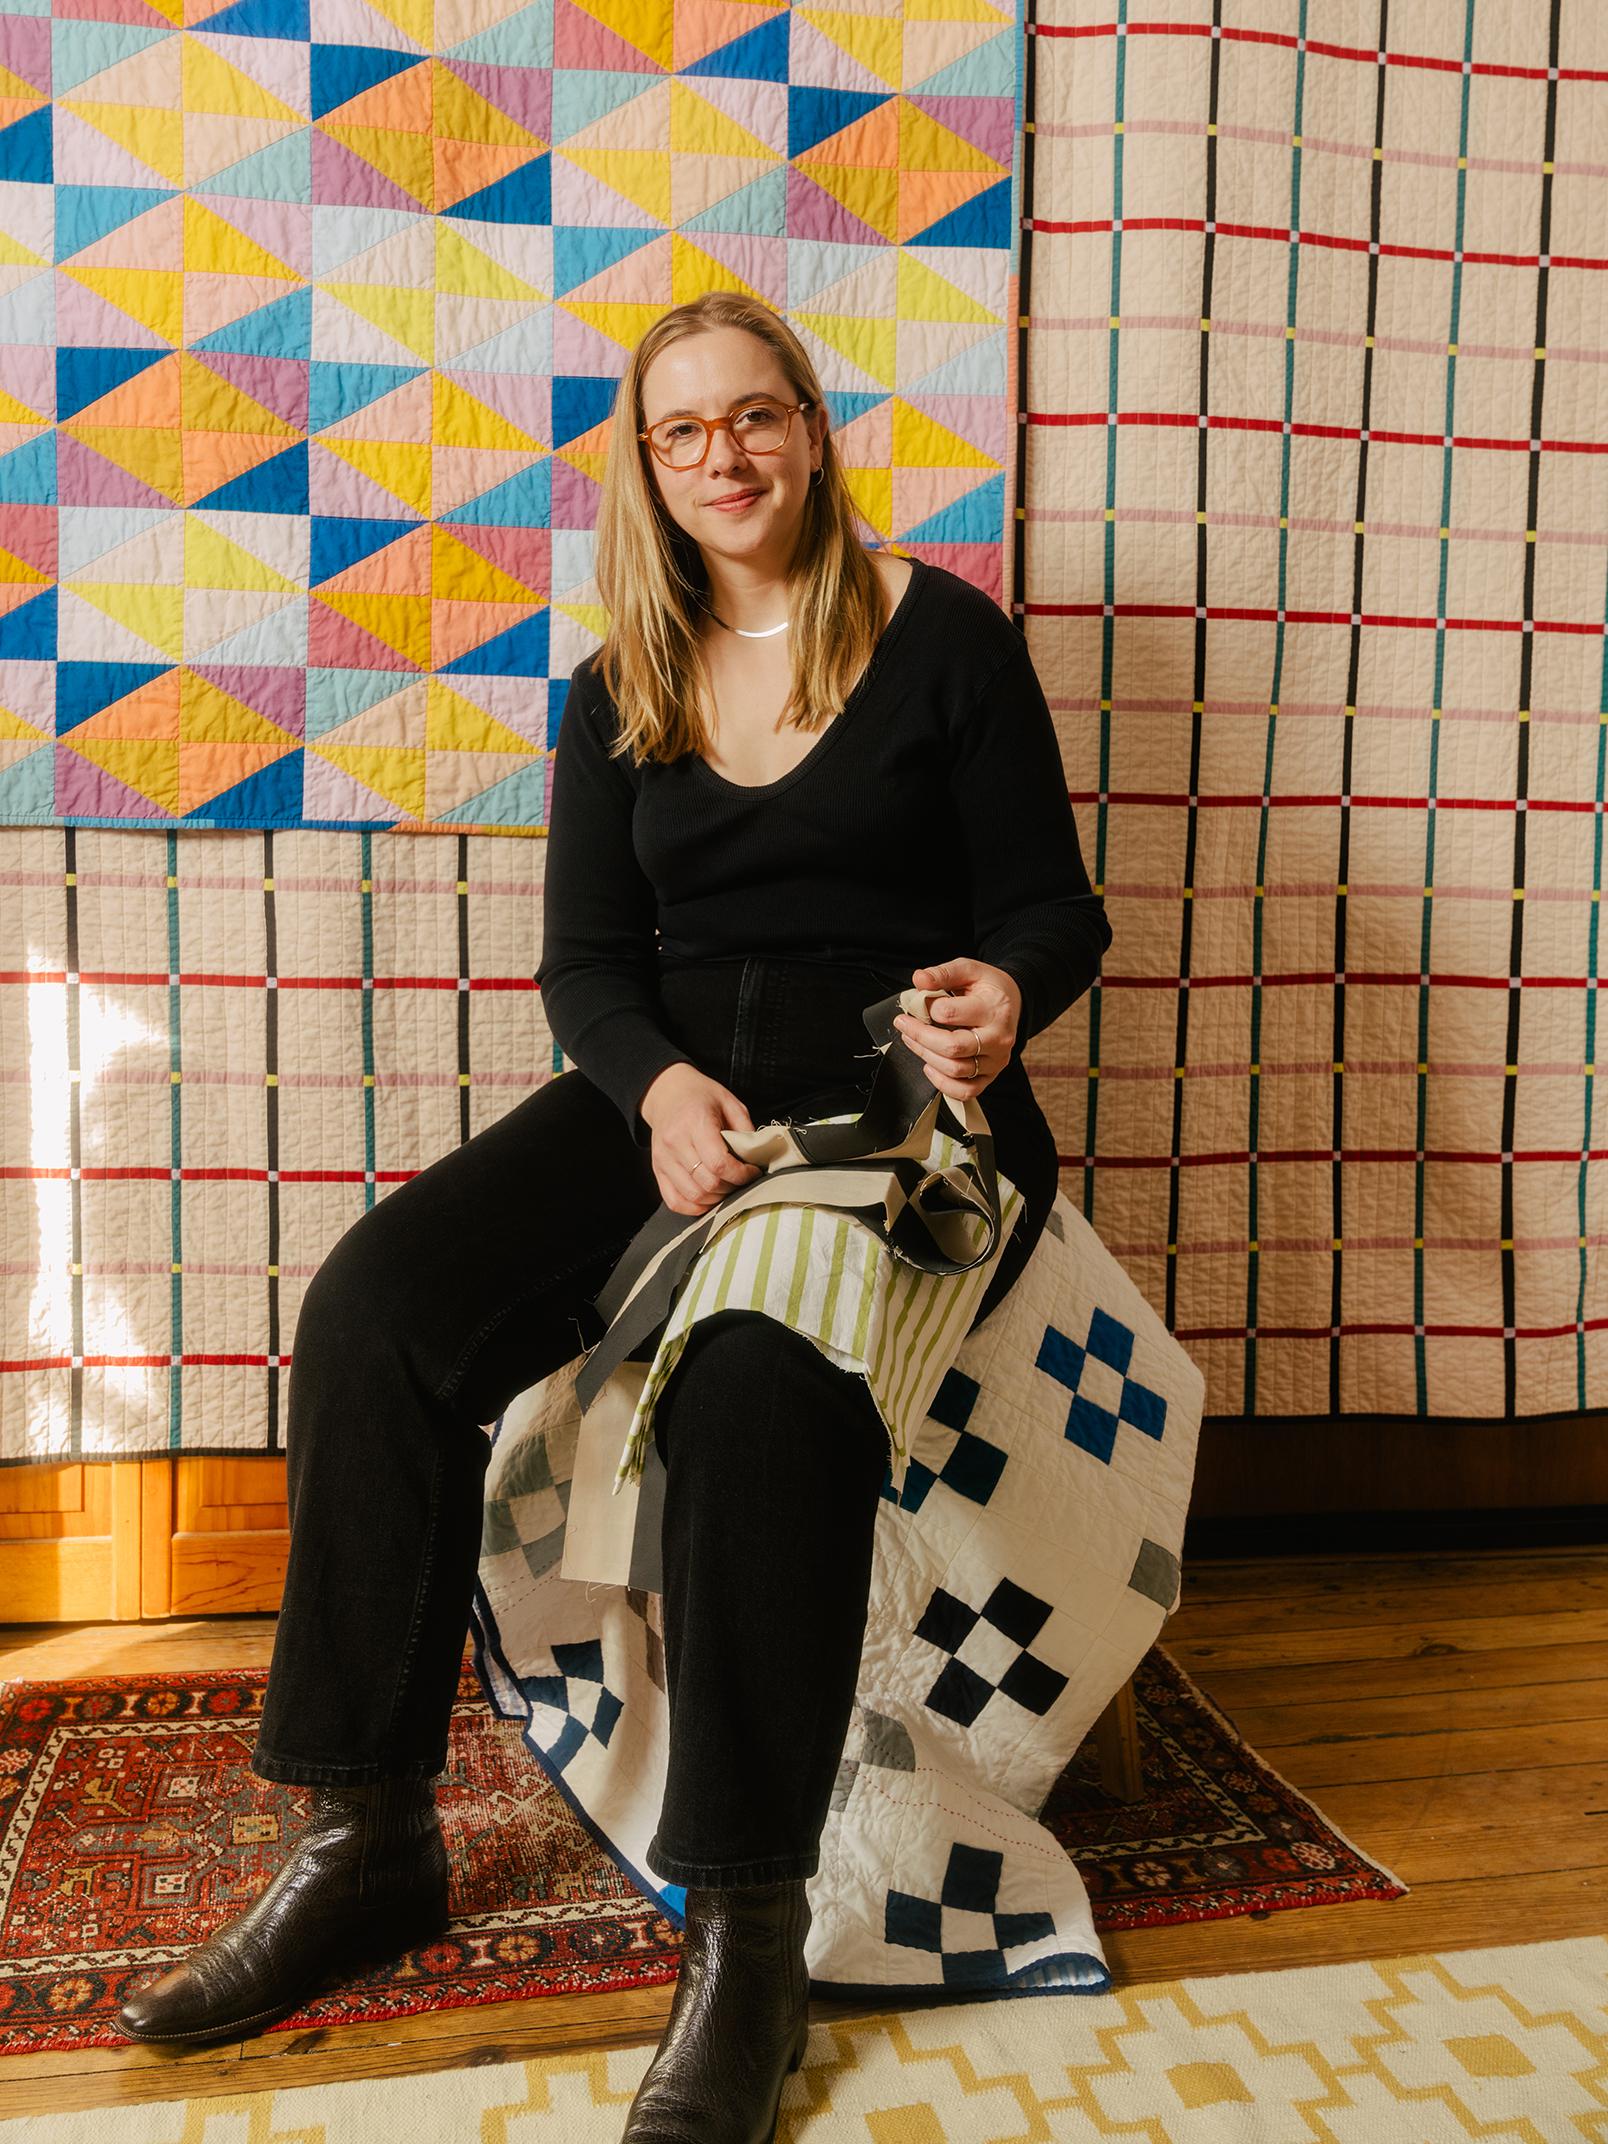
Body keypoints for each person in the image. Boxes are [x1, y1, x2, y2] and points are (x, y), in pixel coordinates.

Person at [114, 291, 1111, 2142]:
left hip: (895, 1113)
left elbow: (1056, 911)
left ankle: (747, 1935)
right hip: (671, 1093)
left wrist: (1004, 992)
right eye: (683, 432)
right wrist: (652, 1093)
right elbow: (587, 965)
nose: (724, 455)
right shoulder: (616, 682)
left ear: (813, 432)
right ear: (644, 469)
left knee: (750, 1379)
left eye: (757, 417)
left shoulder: (947, 644)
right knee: (373, 1312)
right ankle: (367, 1830)